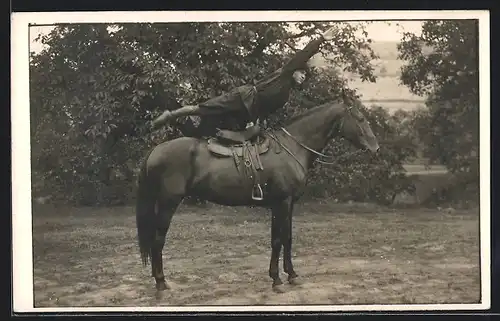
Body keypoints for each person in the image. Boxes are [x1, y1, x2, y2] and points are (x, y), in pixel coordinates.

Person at [151, 26, 339, 133]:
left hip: (249, 112)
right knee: (203, 109)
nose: (303, 77)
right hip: (243, 97)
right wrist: (321, 39)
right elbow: (303, 54)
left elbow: (265, 110)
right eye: (302, 73)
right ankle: (171, 114)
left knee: (229, 135)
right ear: (295, 71)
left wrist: (256, 122)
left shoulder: (285, 95)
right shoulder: (284, 73)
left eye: (305, 76)